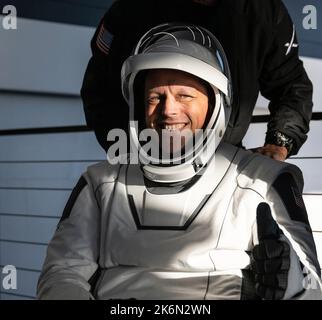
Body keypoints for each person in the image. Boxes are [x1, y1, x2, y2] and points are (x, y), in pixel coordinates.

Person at [38, 23, 321, 300]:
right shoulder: (101, 183)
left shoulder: (264, 180)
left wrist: (290, 278)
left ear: (215, 103)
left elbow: (312, 287)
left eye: (184, 95)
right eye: (154, 97)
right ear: (138, 105)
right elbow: (62, 273)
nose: (168, 110)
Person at [81, 0, 313, 161]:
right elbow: (98, 88)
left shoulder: (263, 12)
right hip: (143, 161)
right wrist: (125, 153)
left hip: (224, 163)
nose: (171, 109)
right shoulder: (131, 10)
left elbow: (291, 86)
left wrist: (280, 142)